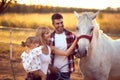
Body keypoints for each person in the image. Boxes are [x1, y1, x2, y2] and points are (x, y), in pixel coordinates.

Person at [48, 13, 80, 80]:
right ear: (53, 24)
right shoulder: (49, 37)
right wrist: (50, 68)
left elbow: (77, 52)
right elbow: (44, 55)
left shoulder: (71, 35)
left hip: (65, 71)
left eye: (61, 22)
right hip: (52, 71)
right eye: (57, 23)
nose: (60, 25)